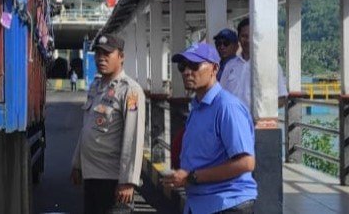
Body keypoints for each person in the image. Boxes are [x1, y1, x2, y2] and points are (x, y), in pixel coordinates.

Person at [162, 42, 257, 214]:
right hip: (200, 203)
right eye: (183, 67)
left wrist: (192, 177)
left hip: (226, 204)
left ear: (214, 68)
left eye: (194, 65)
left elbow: (246, 163)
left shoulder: (227, 107)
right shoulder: (197, 106)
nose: (187, 72)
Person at [71, 33, 146, 213]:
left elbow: (133, 138)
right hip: (91, 175)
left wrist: (128, 181)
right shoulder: (96, 87)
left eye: (107, 54)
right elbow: (87, 128)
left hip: (113, 179)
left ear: (121, 57)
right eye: (98, 54)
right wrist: (77, 163)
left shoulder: (130, 91)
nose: (100, 58)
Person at [222, 18, 288, 109]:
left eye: (252, 36)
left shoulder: (270, 65)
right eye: (244, 36)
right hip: (232, 121)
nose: (248, 40)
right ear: (238, 38)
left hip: (257, 121)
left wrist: (261, 111)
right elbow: (221, 95)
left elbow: (281, 98)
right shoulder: (230, 66)